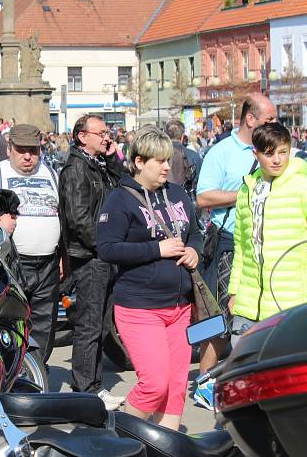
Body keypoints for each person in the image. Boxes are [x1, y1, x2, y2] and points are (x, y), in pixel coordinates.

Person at [97, 125, 202, 431]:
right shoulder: (120, 199)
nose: (167, 167)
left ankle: (166, 446)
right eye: (159, 161)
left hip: (180, 307)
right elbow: (107, 248)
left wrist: (195, 250)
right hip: (141, 307)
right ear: (139, 162)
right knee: (155, 384)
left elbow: (194, 232)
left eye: (168, 160)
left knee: (175, 386)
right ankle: (119, 439)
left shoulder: (178, 193)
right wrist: (157, 249)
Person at [193, 93, 277, 409]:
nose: (275, 124)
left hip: (264, 245)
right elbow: (203, 198)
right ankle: (204, 383)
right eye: (269, 119)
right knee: (221, 318)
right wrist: (245, 191)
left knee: (256, 318)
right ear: (250, 119)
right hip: (228, 243)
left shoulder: (273, 148)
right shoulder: (222, 152)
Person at [0, 124, 61, 373]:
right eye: (21, 150)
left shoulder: (51, 173)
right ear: (9, 149)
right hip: (10, 262)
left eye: (33, 150)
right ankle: (9, 375)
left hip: (47, 263)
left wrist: (62, 255)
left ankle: (36, 374)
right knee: (9, 323)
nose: (28, 156)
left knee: (44, 325)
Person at [58, 114, 125, 410]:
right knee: (89, 324)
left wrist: (112, 159)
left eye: (108, 133)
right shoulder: (75, 168)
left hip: (103, 254)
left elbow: (120, 188)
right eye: (101, 133)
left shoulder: (96, 164)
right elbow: (78, 218)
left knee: (100, 322)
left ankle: (94, 385)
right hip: (90, 257)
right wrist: (104, 246)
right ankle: (86, 388)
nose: (106, 137)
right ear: (82, 136)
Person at [228, 123, 307, 341]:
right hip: (249, 300)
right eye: (269, 153)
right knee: (245, 366)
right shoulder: (247, 189)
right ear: (256, 154)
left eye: (283, 152)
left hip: (292, 301)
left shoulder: (302, 185)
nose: (277, 160)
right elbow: (242, 246)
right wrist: (234, 291)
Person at [164, 120, 201, 198]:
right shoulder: (193, 155)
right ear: (183, 137)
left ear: (166, 136)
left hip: (164, 198)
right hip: (187, 198)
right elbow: (197, 182)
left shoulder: (158, 155)